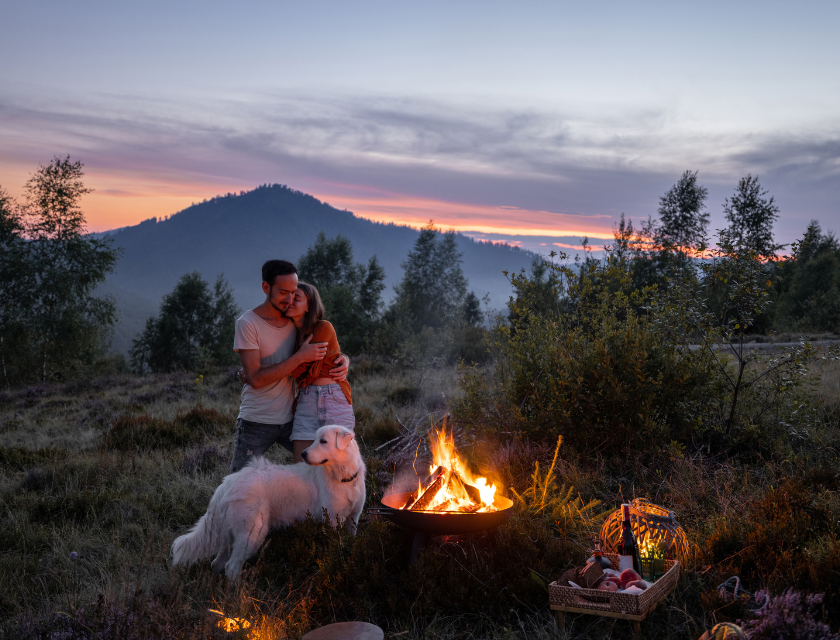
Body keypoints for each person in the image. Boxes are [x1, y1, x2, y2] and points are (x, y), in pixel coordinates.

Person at [231, 260, 348, 472]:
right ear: (266, 288)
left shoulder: (294, 323)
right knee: (240, 479)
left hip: (293, 418)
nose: (290, 299)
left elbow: (320, 348)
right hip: (257, 420)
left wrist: (343, 359)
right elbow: (256, 378)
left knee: (317, 470)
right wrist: (300, 357)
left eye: (294, 292)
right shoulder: (248, 323)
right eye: (284, 292)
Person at [284, 282, 355, 462]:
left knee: (341, 464)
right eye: (289, 297)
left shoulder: (323, 327)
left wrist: (294, 364)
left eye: (296, 298)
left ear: (309, 306)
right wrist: (300, 362)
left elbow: (309, 370)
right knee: (301, 465)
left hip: (333, 398)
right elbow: (302, 369)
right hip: (306, 400)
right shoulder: (291, 334)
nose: (290, 301)